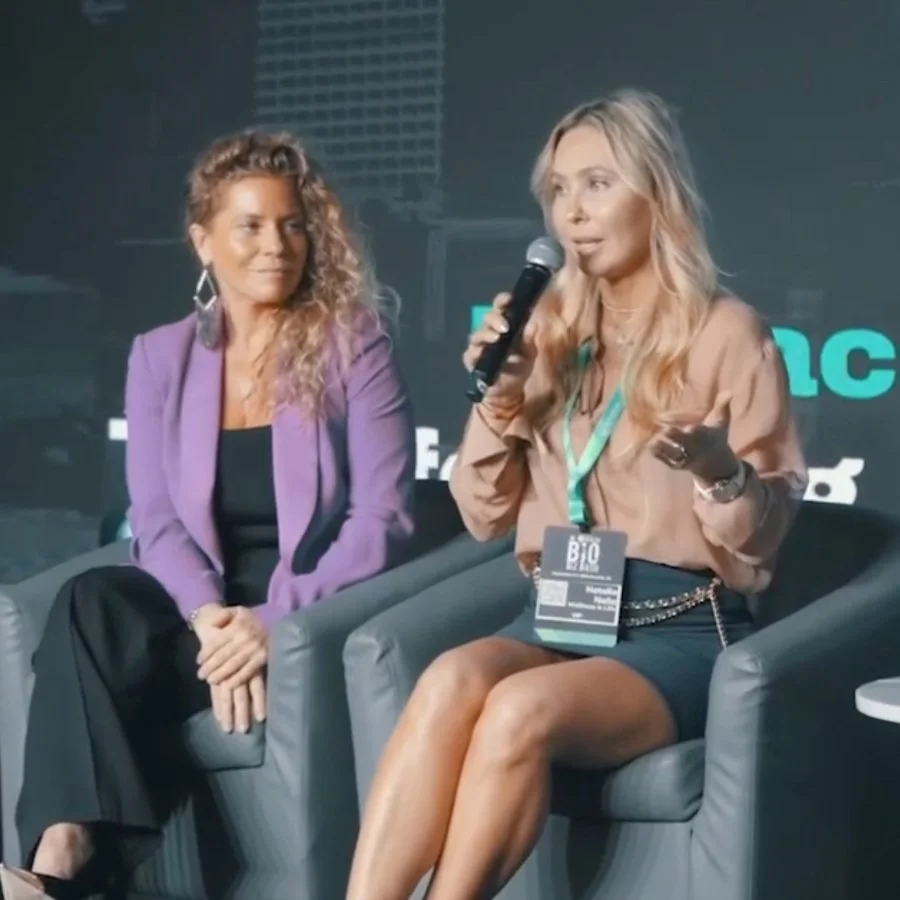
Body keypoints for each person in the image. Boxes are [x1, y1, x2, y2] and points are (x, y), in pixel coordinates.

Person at [343, 89, 808, 900]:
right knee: (450, 676)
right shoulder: (547, 327)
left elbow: (760, 548)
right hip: (559, 609)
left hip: (681, 629)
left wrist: (715, 470)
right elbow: (486, 514)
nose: (572, 215)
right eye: (558, 190)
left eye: (597, 184)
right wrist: (500, 397)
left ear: (656, 191)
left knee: (520, 711)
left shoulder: (729, 333)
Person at [1, 130, 416, 900]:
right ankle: (62, 854)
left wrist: (272, 621)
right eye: (250, 226)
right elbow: (153, 519)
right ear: (203, 241)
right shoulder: (160, 356)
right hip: (201, 612)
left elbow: (383, 518)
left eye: (293, 224)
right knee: (88, 603)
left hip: (304, 606)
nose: (277, 245)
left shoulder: (353, 344)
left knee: (95, 677)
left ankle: (62, 877)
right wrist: (210, 616)